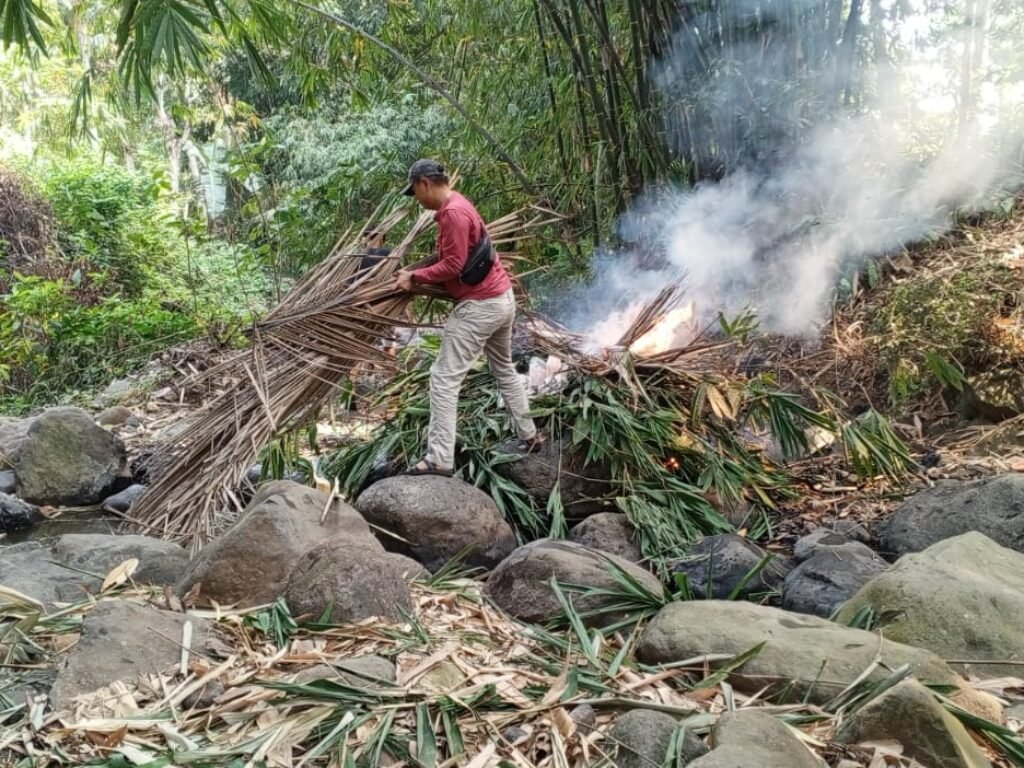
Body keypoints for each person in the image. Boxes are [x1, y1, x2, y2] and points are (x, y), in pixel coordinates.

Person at [395, 159, 543, 477]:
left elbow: (453, 265)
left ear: (424, 183)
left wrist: (414, 276)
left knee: (443, 378)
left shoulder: (453, 213)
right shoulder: (459, 203)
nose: (417, 200)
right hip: (502, 299)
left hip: (481, 306)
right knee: (503, 368)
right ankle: (530, 435)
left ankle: (439, 459)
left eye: (416, 192)